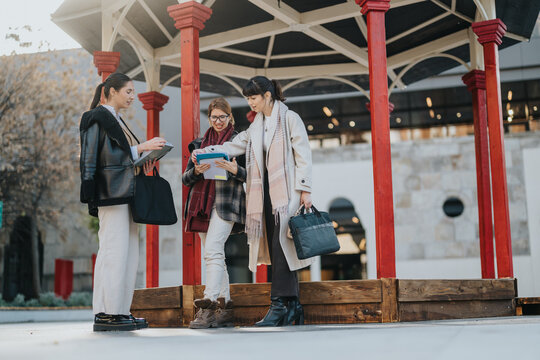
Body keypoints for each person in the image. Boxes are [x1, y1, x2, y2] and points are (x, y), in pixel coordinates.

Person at [193, 76, 314, 327]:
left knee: (283, 247)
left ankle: (279, 305)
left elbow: (303, 155)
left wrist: (305, 190)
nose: (250, 103)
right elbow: (236, 145)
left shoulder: (289, 118)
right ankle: (293, 306)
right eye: (248, 98)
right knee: (279, 246)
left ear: (267, 96)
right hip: (265, 193)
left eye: (253, 98)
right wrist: (207, 153)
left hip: (287, 193)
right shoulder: (257, 125)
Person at [79, 72, 167, 332]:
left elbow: (118, 158)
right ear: (112, 91)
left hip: (124, 191)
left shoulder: (115, 120)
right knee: (114, 251)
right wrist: (141, 149)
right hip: (110, 194)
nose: (132, 97)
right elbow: (93, 159)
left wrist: (141, 162)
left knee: (128, 252)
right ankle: (107, 312)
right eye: (128, 91)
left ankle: (119, 310)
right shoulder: (95, 117)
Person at [182, 97, 246, 329]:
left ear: (230, 117)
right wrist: (197, 171)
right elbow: (185, 179)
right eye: (214, 117)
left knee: (212, 250)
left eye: (223, 117)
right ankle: (226, 306)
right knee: (214, 254)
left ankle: (207, 306)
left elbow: (251, 176)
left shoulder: (239, 142)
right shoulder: (198, 145)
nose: (218, 121)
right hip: (201, 206)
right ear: (208, 118)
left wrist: (234, 168)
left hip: (226, 204)